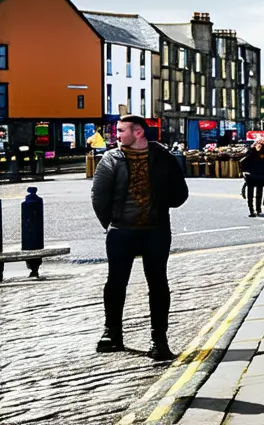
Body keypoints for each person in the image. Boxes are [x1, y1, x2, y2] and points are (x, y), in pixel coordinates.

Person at [90, 114, 189, 360]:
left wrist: (159, 203)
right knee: (115, 283)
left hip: (155, 231)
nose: (117, 135)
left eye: (121, 130)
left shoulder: (163, 158)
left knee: (157, 284)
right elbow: (99, 197)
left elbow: (180, 194)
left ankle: (159, 341)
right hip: (121, 232)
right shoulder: (110, 159)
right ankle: (112, 334)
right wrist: (112, 224)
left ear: (138, 132)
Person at [240, 140, 264, 217]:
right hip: (251, 175)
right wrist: (244, 171)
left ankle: (258, 209)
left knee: (259, 193)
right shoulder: (250, 152)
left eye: (260, 144)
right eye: (257, 144)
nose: (258, 146)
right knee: (250, 194)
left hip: (261, 176)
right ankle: (251, 210)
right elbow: (244, 162)